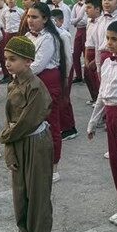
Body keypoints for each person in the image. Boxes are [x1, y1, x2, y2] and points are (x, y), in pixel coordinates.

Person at [0, 35, 55, 232]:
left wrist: (5, 138)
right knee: (21, 191)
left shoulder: (36, 87)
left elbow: (27, 121)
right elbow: (10, 118)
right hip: (19, 140)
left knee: (38, 192)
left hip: (35, 142)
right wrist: (10, 148)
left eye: (13, 59)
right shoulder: (14, 83)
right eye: (6, 58)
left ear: (28, 61)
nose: (8, 63)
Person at [86, 20, 117, 227]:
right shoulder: (107, 63)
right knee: (115, 161)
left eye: (115, 39)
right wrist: (93, 121)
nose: (109, 42)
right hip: (110, 115)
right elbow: (101, 95)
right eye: (108, 38)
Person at [24, 3, 68, 181]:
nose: (30, 20)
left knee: (51, 124)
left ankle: (53, 166)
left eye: (34, 17)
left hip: (47, 81)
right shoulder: (28, 36)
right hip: (31, 81)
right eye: (28, 17)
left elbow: (38, 64)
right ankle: (39, 163)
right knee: (34, 124)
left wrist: (19, 72)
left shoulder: (49, 38)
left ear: (45, 19)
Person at [50, 8, 78, 140]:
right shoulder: (51, 35)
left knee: (63, 99)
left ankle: (69, 128)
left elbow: (68, 57)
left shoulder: (64, 35)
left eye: (54, 21)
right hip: (57, 69)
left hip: (65, 68)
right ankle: (63, 125)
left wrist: (66, 76)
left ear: (61, 21)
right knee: (58, 98)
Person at [83, 0, 103, 103]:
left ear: (97, 9)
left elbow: (100, 44)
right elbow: (87, 41)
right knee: (88, 77)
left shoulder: (102, 23)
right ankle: (94, 98)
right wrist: (85, 57)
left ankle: (100, 102)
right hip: (89, 51)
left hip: (97, 53)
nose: (86, 10)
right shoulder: (89, 22)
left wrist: (96, 60)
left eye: (89, 7)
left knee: (97, 79)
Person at [70, 0, 88, 83]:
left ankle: (86, 75)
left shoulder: (87, 5)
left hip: (86, 31)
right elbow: (71, 21)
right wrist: (77, 21)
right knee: (75, 54)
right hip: (78, 31)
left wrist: (76, 21)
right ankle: (78, 76)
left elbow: (85, 21)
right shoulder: (75, 6)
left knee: (86, 54)